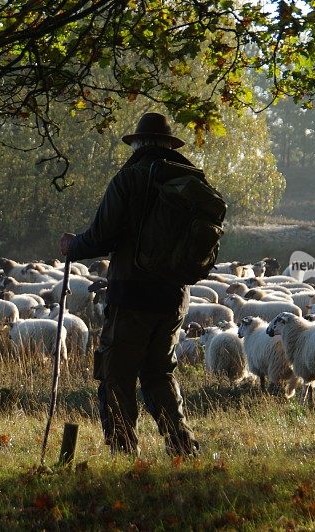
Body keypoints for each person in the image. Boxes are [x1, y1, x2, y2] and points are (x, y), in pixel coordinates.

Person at [59, 112, 200, 457]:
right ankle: (181, 445)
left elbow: (101, 236)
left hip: (132, 292)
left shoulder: (129, 179)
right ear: (169, 145)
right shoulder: (192, 181)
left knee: (116, 373)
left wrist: (72, 246)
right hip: (174, 295)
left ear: (137, 143)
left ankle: (123, 449)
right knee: (159, 372)